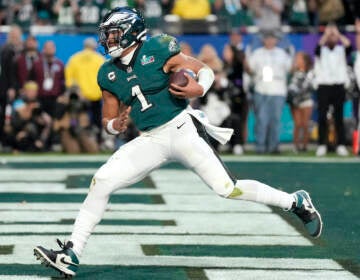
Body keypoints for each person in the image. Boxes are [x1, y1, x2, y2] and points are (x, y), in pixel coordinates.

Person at [33, 7, 323, 278]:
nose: (108, 40)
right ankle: (71, 253)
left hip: (182, 129)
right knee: (102, 181)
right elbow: (107, 119)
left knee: (227, 189)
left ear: (131, 31)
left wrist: (200, 87)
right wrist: (115, 125)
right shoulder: (107, 72)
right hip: (149, 139)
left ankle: (295, 201)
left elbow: (202, 69)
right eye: (107, 34)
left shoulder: (158, 48)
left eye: (113, 33)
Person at [248, 31, 292, 154]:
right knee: (261, 119)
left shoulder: (282, 53)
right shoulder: (256, 53)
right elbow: (250, 69)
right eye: (267, 38)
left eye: (272, 38)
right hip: (261, 88)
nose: (270, 41)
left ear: (276, 40)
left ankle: (274, 146)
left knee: (275, 120)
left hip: (278, 88)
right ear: (263, 40)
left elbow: (289, 68)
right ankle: (260, 147)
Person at [313, 23, 351, 156]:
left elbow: (349, 45)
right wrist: (326, 34)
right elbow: (317, 48)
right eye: (330, 35)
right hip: (324, 86)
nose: (332, 37)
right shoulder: (321, 50)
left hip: (338, 86)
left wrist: (337, 33)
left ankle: (341, 144)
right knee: (322, 116)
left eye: (333, 35)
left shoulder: (341, 50)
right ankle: (322, 144)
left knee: (338, 117)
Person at [65, 37, 105, 142]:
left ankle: (77, 141)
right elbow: (105, 78)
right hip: (96, 96)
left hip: (80, 97)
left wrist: (77, 91)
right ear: (94, 47)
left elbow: (69, 79)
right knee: (96, 121)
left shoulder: (74, 59)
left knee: (78, 120)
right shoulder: (100, 59)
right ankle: (97, 142)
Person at [287, 51, 314, 153]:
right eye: (296, 58)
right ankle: (296, 146)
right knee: (297, 124)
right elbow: (289, 86)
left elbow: (311, 85)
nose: (297, 60)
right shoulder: (292, 72)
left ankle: (305, 146)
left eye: (299, 58)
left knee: (305, 124)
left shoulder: (310, 72)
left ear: (305, 60)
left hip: (306, 100)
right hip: (295, 101)